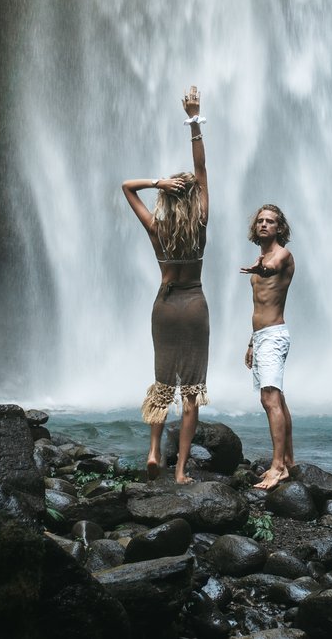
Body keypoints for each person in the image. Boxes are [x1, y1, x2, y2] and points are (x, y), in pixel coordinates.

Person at [122, 85, 208, 484]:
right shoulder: (201, 226)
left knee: (162, 381)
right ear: (193, 199)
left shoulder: (157, 229)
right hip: (193, 305)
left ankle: (154, 449)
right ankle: (179, 470)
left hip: (164, 305)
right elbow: (203, 173)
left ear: (171, 198)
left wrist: (158, 183)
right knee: (191, 390)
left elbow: (126, 187)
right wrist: (194, 121)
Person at [241, 203, 296, 491]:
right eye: (260, 220)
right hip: (262, 336)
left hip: (274, 335)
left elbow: (272, 268)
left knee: (270, 399)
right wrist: (252, 341)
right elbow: (258, 305)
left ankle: (278, 468)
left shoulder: (281, 255)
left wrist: (261, 267)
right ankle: (288, 459)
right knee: (277, 398)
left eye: (270, 221)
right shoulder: (261, 256)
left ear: (279, 228)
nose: (264, 224)